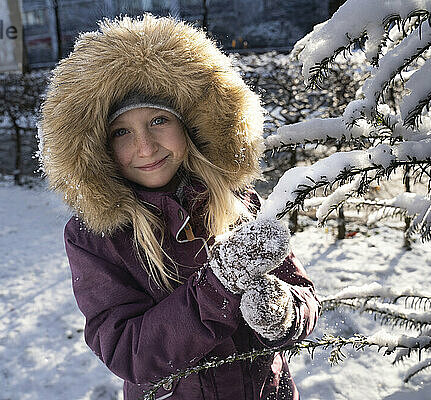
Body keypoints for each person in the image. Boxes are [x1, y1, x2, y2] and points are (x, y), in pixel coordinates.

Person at [37, 13, 319, 400]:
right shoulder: (96, 237)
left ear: (189, 124)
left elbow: (302, 293)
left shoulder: (237, 203)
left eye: (158, 120)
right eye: (121, 132)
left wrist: (285, 311)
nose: (146, 147)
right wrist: (217, 286)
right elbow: (127, 350)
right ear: (97, 148)